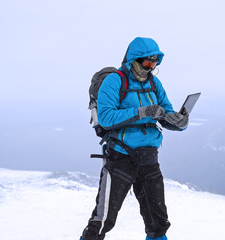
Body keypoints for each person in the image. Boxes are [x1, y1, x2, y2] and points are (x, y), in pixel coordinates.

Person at [80, 37, 189, 240]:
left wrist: (178, 122)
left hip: (149, 158)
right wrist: (143, 112)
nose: (150, 68)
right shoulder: (115, 81)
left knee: (158, 222)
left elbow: (164, 112)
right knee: (103, 220)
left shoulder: (154, 83)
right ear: (133, 60)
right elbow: (106, 118)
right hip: (121, 158)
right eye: (147, 63)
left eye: (154, 63)